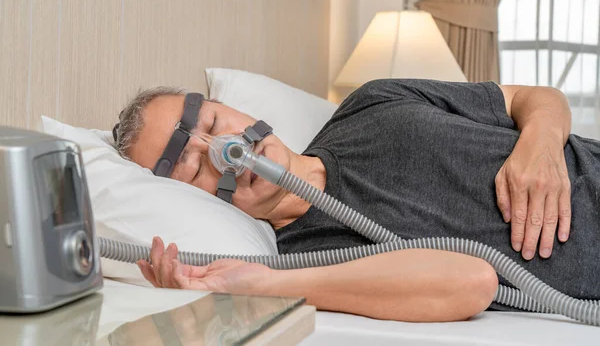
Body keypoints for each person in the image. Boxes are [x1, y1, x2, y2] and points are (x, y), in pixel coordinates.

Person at [112, 79, 600, 322]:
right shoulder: (306, 259)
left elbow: (533, 98)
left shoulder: (373, 103)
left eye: (215, 126)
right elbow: (472, 280)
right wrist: (260, 285)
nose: (225, 153)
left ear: (234, 110)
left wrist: (540, 143)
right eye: (194, 167)